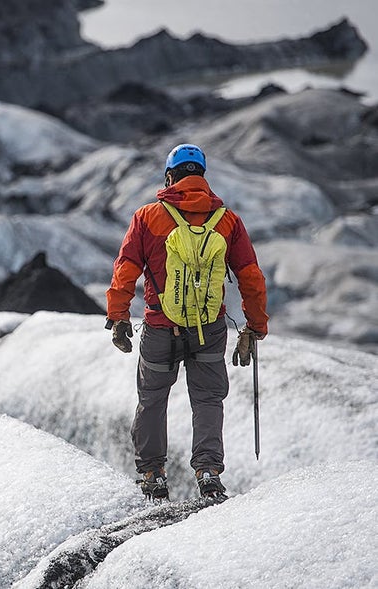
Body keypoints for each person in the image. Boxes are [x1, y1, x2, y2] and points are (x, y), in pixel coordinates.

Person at [105, 143, 269, 501]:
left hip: (160, 326)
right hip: (209, 329)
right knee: (208, 399)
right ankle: (208, 472)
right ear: (201, 177)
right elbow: (250, 276)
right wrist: (255, 326)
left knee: (152, 398)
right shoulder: (227, 220)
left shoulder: (147, 216)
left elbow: (126, 269)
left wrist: (118, 316)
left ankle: (152, 475)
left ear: (170, 176)